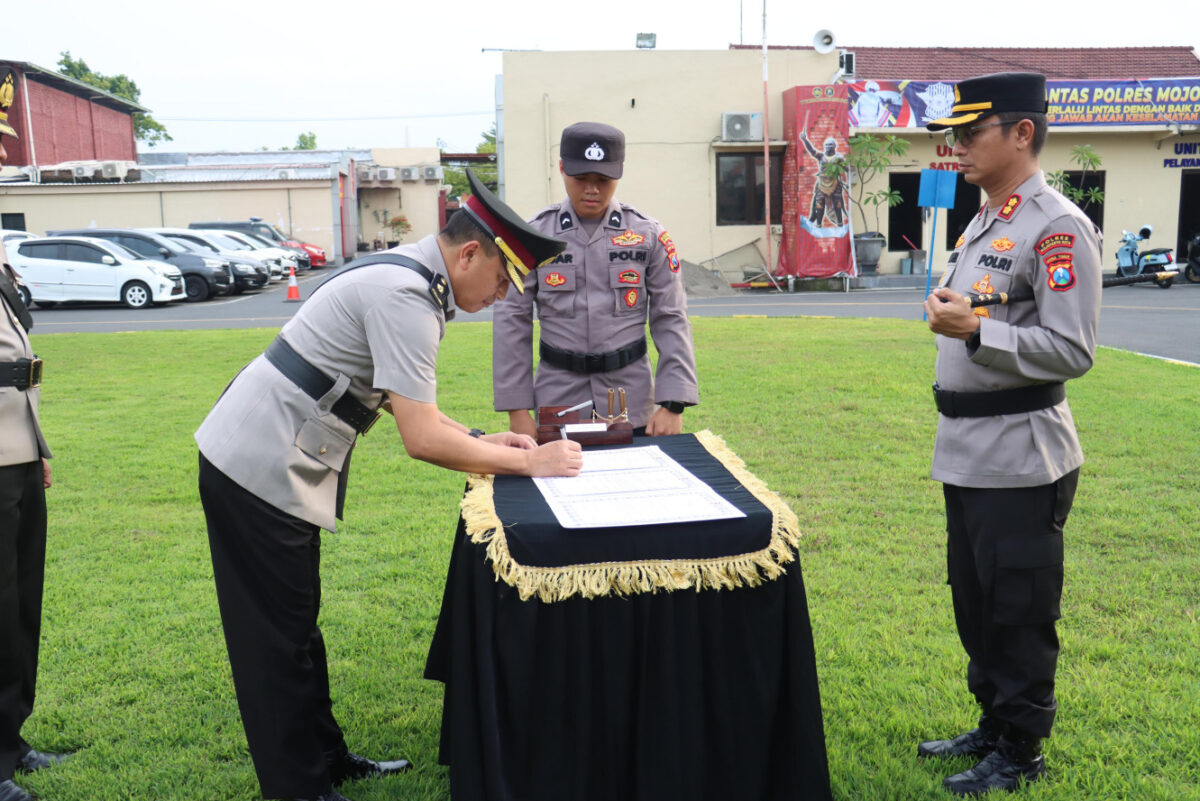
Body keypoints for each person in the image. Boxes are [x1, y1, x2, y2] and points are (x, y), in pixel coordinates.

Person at [196, 168, 582, 801]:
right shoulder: (409, 298)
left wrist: (486, 443)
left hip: (274, 459)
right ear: (467, 254)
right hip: (254, 469)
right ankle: (300, 789)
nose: (503, 297)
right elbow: (422, 438)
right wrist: (529, 462)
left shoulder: (410, 277)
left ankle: (325, 757)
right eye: (503, 279)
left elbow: (409, 408)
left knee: (297, 625)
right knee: (276, 639)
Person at [920, 72, 1102, 796]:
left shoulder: (1054, 226)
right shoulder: (988, 217)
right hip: (967, 449)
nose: (956, 145)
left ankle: (1022, 748)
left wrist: (977, 328)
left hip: (1022, 452)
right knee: (976, 600)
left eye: (971, 132)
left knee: (1019, 609)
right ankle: (994, 722)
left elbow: (1073, 348)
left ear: (1021, 133)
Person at [492, 121, 698, 437]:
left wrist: (673, 403)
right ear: (561, 168)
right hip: (557, 401)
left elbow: (670, 317)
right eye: (581, 178)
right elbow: (511, 322)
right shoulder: (533, 237)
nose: (592, 189)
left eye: (603, 179)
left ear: (620, 172)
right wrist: (518, 411)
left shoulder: (647, 236)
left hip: (630, 400)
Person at [0, 66, 69, 801]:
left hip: (15, 453)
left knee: (19, 608)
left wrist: (39, 450)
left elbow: (18, 366)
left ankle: (9, 740)